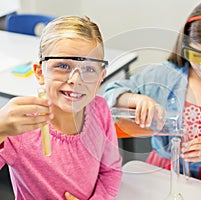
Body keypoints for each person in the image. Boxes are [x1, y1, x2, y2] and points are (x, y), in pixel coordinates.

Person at [104, 0, 201, 187]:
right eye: (197, 55)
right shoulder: (163, 75)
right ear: (185, 45)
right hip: (160, 172)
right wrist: (134, 99)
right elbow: (111, 92)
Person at [0, 16, 122, 200]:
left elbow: (111, 171)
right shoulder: (19, 128)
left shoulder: (100, 110)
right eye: (63, 66)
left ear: (100, 77)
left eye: (89, 69)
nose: (75, 79)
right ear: (40, 73)